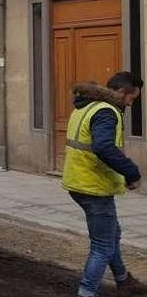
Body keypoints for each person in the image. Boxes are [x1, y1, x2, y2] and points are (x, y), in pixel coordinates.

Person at [63, 72, 147, 297]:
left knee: (112, 235)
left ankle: (123, 279)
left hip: (79, 182)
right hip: (94, 186)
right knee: (102, 246)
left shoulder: (85, 107)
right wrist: (132, 173)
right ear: (121, 92)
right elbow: (104, 147)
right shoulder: (105, 112)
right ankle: (86, 292)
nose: (130, 104)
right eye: (131, 99)